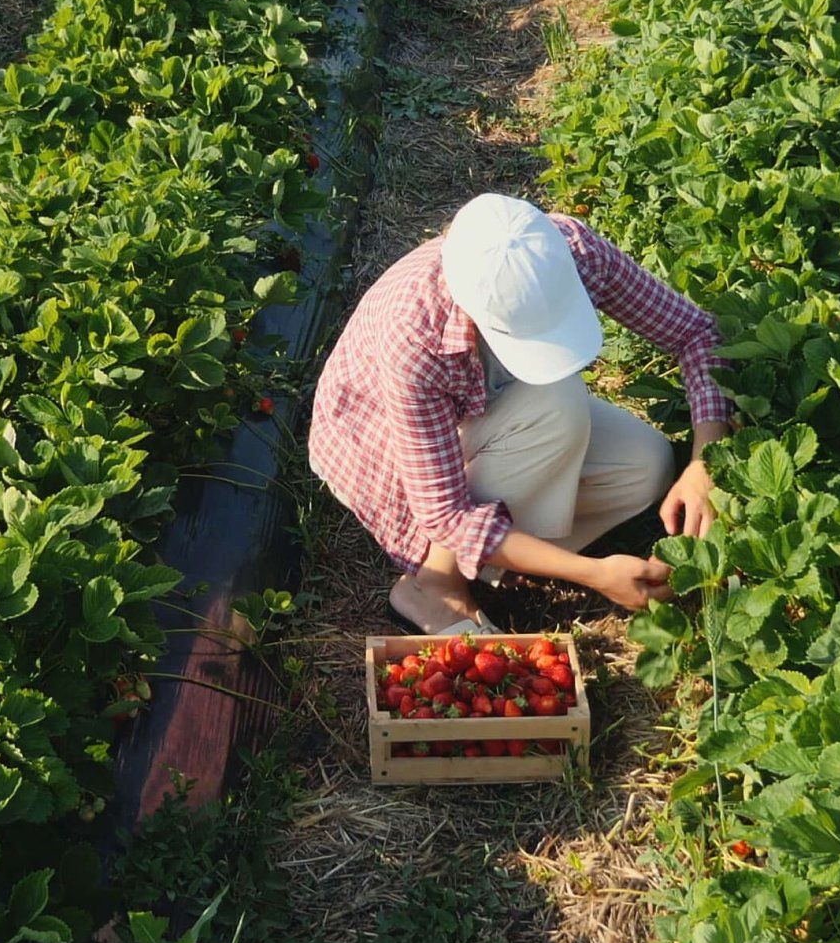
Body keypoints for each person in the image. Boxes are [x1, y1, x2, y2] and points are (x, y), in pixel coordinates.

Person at [309, 193, 733, 634]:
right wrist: (592, 574)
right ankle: (437, 583)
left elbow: (696, 333)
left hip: (500, 410)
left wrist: (705, 463)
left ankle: (503, 555)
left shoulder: (568, 252)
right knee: (558, 407)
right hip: (378, 442)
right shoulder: (416, 335)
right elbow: (444, 514)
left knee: (647, 465)